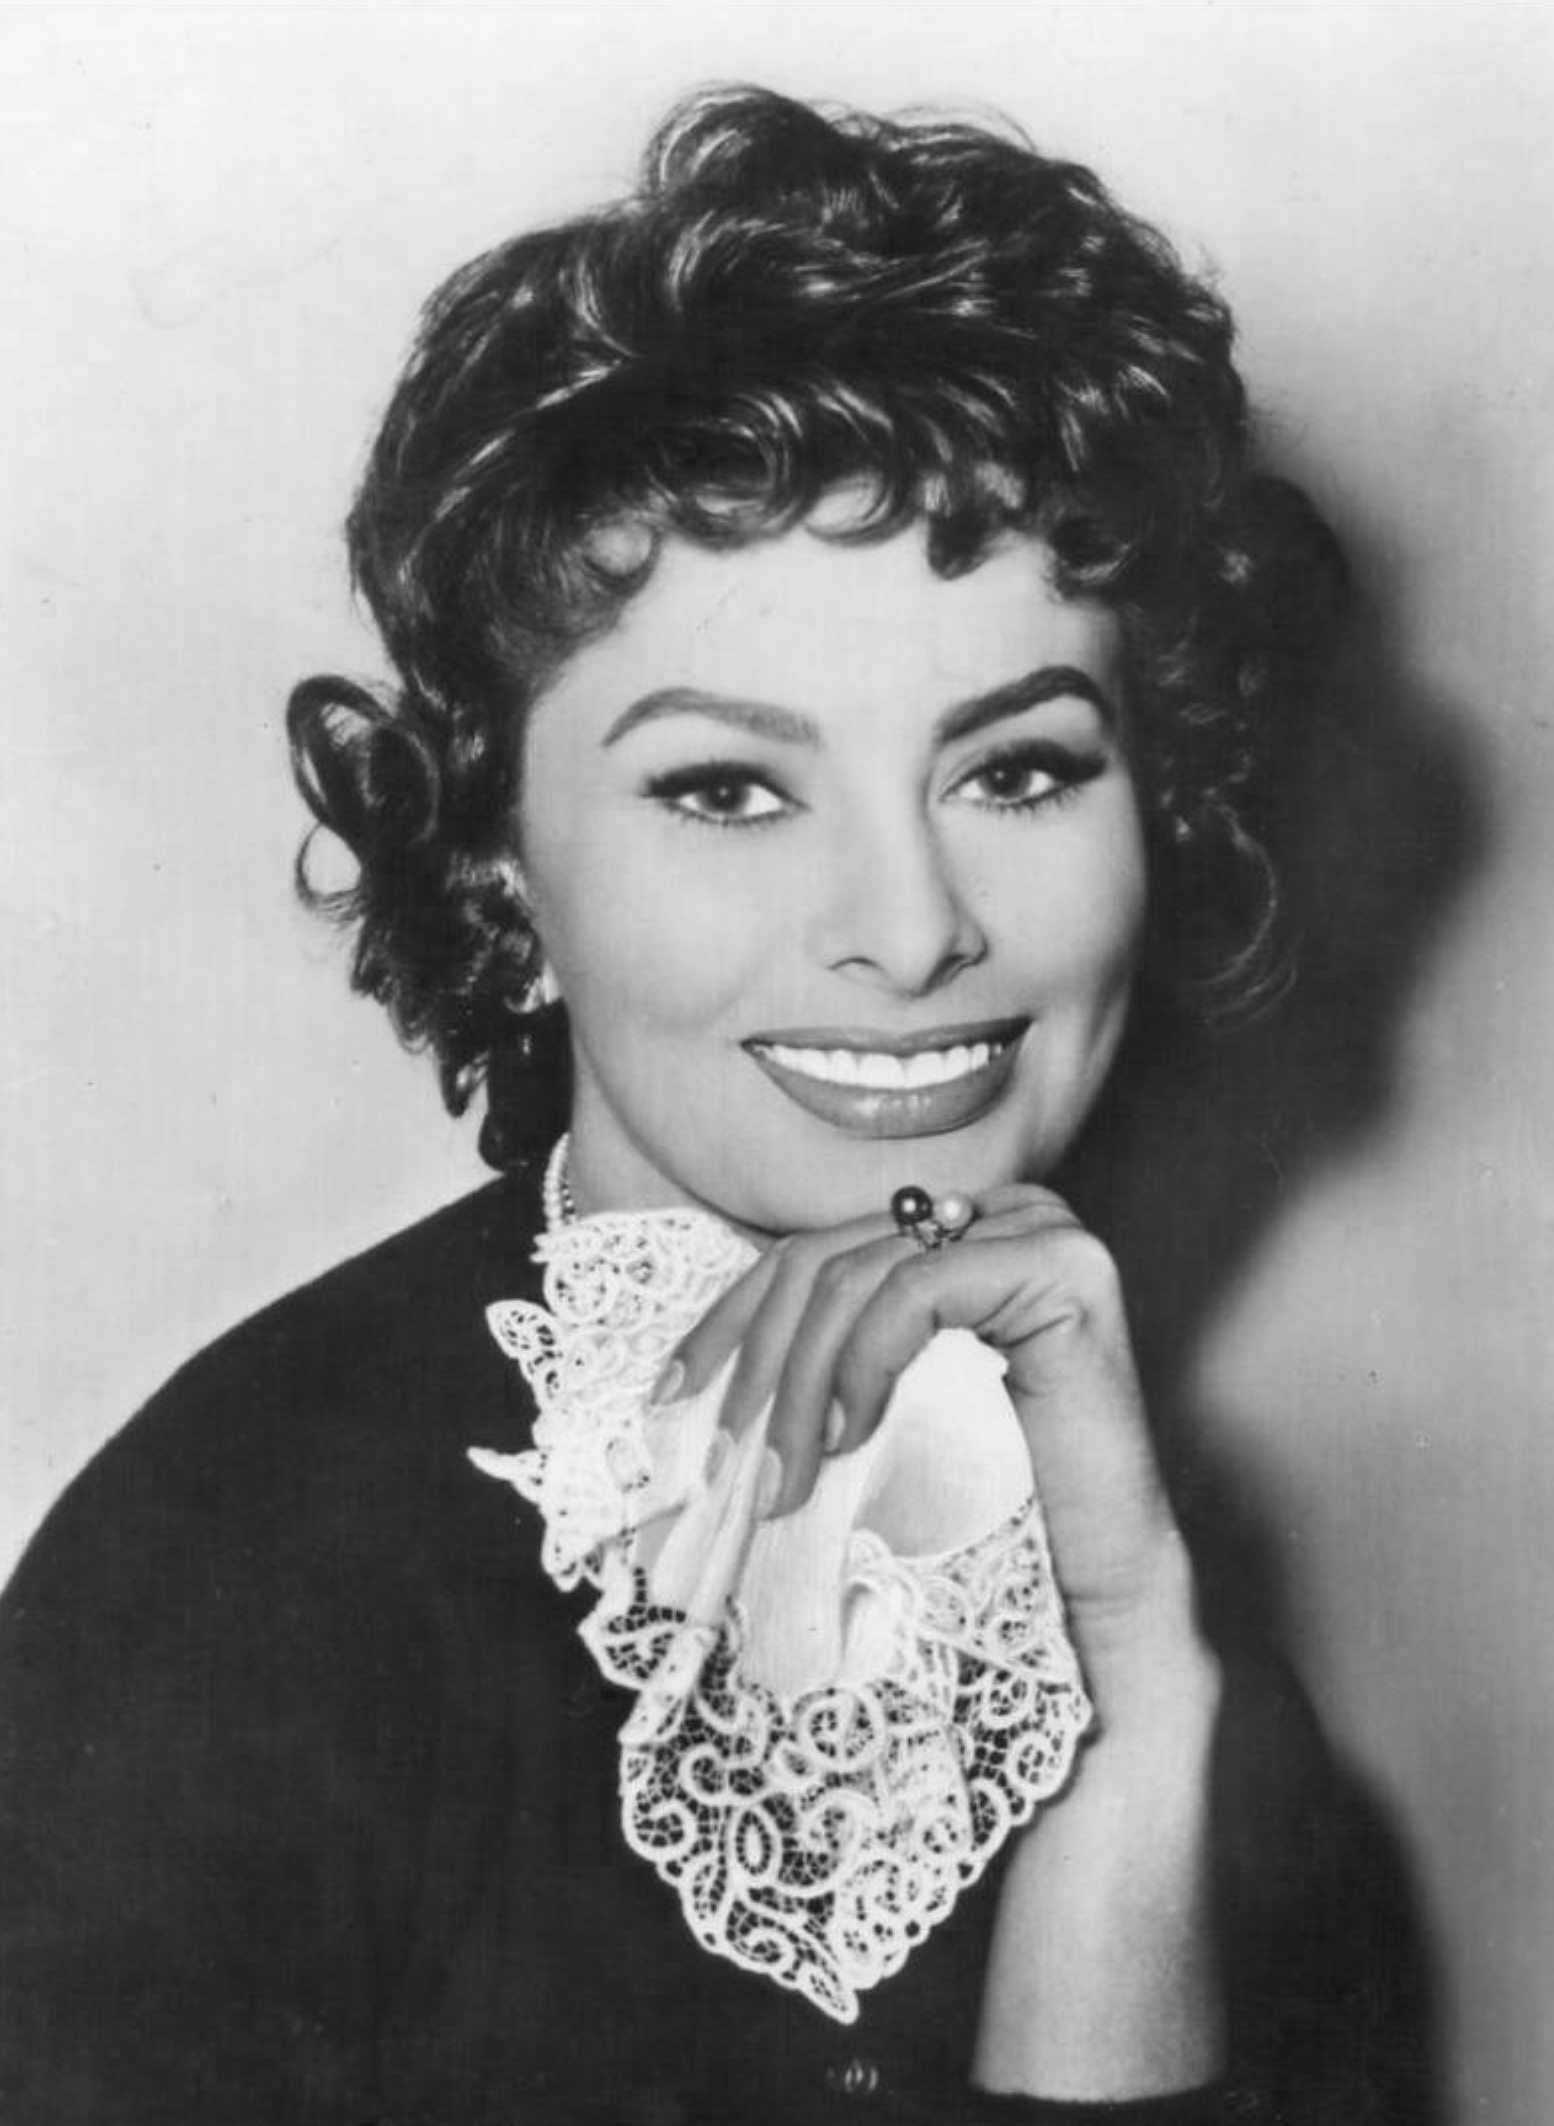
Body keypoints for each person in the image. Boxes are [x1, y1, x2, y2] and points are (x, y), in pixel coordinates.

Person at [0, 86, 1432, 2126]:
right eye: (729, 788)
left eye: (1017, 766)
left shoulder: (1170, 1579)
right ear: (499, 864)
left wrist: (1138, 1741)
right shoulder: (226, 1587)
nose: (914, 928)